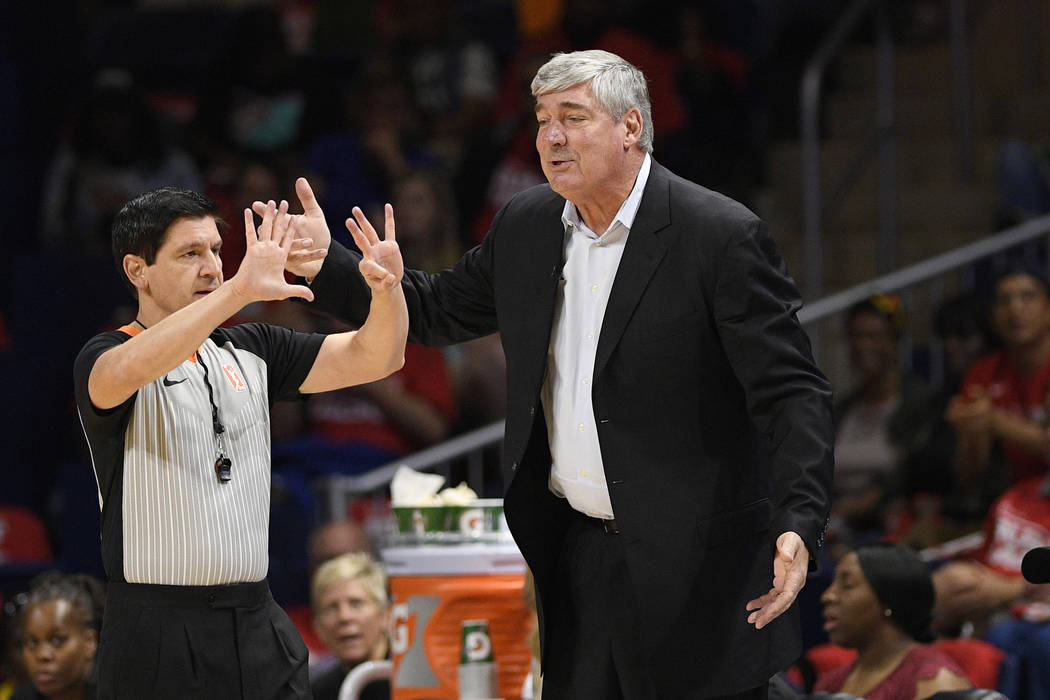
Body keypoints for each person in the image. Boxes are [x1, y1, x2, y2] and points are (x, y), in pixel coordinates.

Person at [281, 49, 834, 699]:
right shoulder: (527, 225)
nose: (550, 137)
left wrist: (800, 518)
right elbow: (431, 311)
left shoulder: (718, 234)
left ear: (631, 127)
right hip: (577, 555)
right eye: (543, 119)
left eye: (572, 117)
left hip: (697, 562)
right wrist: (329, 265)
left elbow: (791, 390)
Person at [73, 187, 407, 699]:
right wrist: (238, 292)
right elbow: (118, 375)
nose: (212, 268)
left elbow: (377, 357)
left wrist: (385, 292)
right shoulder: (108, 352)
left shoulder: (254, 347)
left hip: (256, 620)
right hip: (156, 630)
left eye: (215, 251)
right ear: (137, 270)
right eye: (190, 254)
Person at [831, 295, 935, 549]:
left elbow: (915, 471)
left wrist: (858, 507)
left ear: (895, 342)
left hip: (886, 526)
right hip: (834, 526)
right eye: (856, 336)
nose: (863, 345)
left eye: (875, 336)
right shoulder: (844, 408)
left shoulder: (921, 402)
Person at [814, 544, 972, 699]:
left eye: (846, 585)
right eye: (833, 584)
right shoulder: (830, 683)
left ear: (889, 600)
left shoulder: (936, 683)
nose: (827, 596)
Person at [947, 264, 1050, 488]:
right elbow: (968, 477)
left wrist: (994, 420)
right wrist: (970, 430)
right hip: (1020, 500)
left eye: (1028, 297)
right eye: (1004, 300)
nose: (1015, 309)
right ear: (993, 318)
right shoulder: (984, 372)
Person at [11, 572, 105, 700]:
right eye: (32, 643)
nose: (43, 655)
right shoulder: (22, 697)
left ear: (90, 642)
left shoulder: (118, 693)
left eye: (57, 640)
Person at [308, 553, 390, 700]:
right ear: (318, 626)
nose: (344, 617)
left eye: (356, 603)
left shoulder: (412, 682)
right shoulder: (317, 692)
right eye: (331, 608)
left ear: (385, 615)